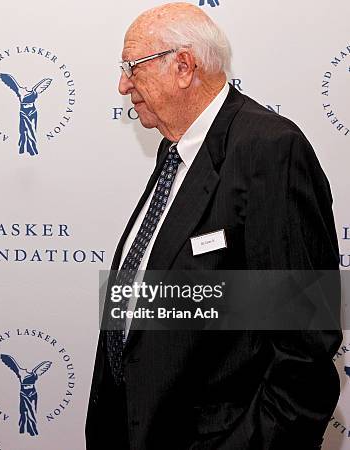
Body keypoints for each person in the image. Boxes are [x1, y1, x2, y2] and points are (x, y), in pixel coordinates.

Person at [86, 3, 341, 449]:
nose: (123, 85)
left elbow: (304, 350)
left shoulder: (269, 151)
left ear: (183, 66)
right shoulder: (176, 152)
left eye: (132, 68)